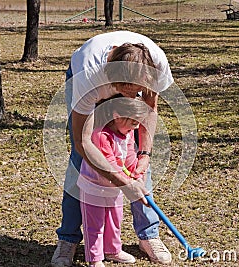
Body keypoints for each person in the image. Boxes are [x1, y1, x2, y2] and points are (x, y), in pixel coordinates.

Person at [51, 30, 174, 267]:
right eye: (126, 89)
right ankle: (68, 238)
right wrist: (121, 181)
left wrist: (144, 155)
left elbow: (149, 111)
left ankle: (149, 235)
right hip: (91, 82)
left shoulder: (156, 66)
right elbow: (83, 141)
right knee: (81, 161)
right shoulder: (88, 77)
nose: (130, 96)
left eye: (136, 90)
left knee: (135, 158)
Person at [78, 97, 149, 267]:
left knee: (114, 220)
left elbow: (130, 156)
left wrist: (136, 174)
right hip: (94, 187)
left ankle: (112, 250)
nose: (136, 127)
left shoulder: (128, 132)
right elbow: (110, 165)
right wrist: (128, 183)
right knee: (95, 225)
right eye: (133, 122)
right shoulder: (100, 135)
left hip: (115, 188)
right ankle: (95, 258)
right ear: (117, 116)